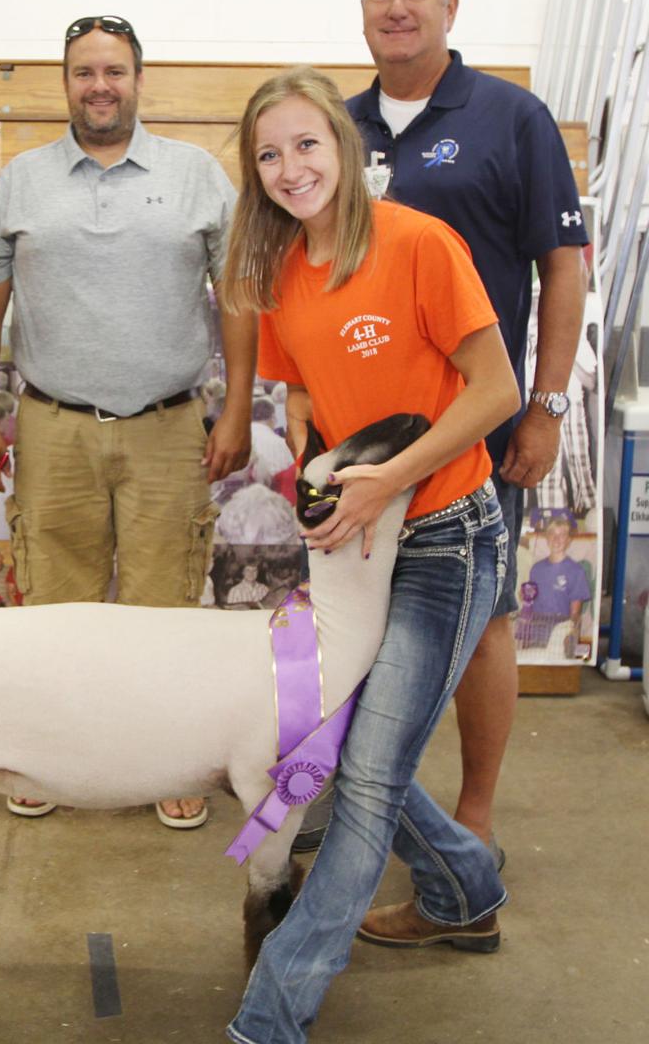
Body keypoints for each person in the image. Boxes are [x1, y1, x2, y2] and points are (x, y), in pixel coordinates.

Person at [222, 66, 519, 1043]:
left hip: (446, 535)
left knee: (368, 774)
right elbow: (305, 393)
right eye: (269, 154)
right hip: (355, 538)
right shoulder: (282, 273)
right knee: (353, 752)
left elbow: (493, 390)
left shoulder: (420, 243)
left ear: (343, 149)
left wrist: (391, 480)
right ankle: (465, 886)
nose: (289, 167)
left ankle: (270, 1017)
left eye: (306, 144)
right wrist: (321, 481)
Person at [0, 15, 256, 827]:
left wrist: (234, 407)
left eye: (115, 72)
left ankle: (169, 760)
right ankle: (50, 756)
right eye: (85, 72)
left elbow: (238, 298)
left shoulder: (198, 175)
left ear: (138, 79)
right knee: (56, 610)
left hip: (169, 427)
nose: (101, 86)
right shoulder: (21, 180)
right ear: (65, 83)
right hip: (52, 424)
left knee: (164, 607)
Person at [343, 0, 587, 875]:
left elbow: (562, 270)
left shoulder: (513, 118)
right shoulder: (337, 122)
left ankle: (473, 819)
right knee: (360, 618)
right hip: (359, 442)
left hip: (478, 432)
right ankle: (362, 812)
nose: (396, 6)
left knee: (483, 622)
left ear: (452, 6)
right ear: (360, 9)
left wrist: (548, 405)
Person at [518, 515, 589, 649]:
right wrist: (523, 595)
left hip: (559, 636)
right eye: (552, 534)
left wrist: (570, 637)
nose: (556, 539)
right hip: (535, 633)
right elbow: (529, 601)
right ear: (547, 538)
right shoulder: (536, 568)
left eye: (562, 535)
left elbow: (575, 614)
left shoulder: (576, 571)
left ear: (568, 540)